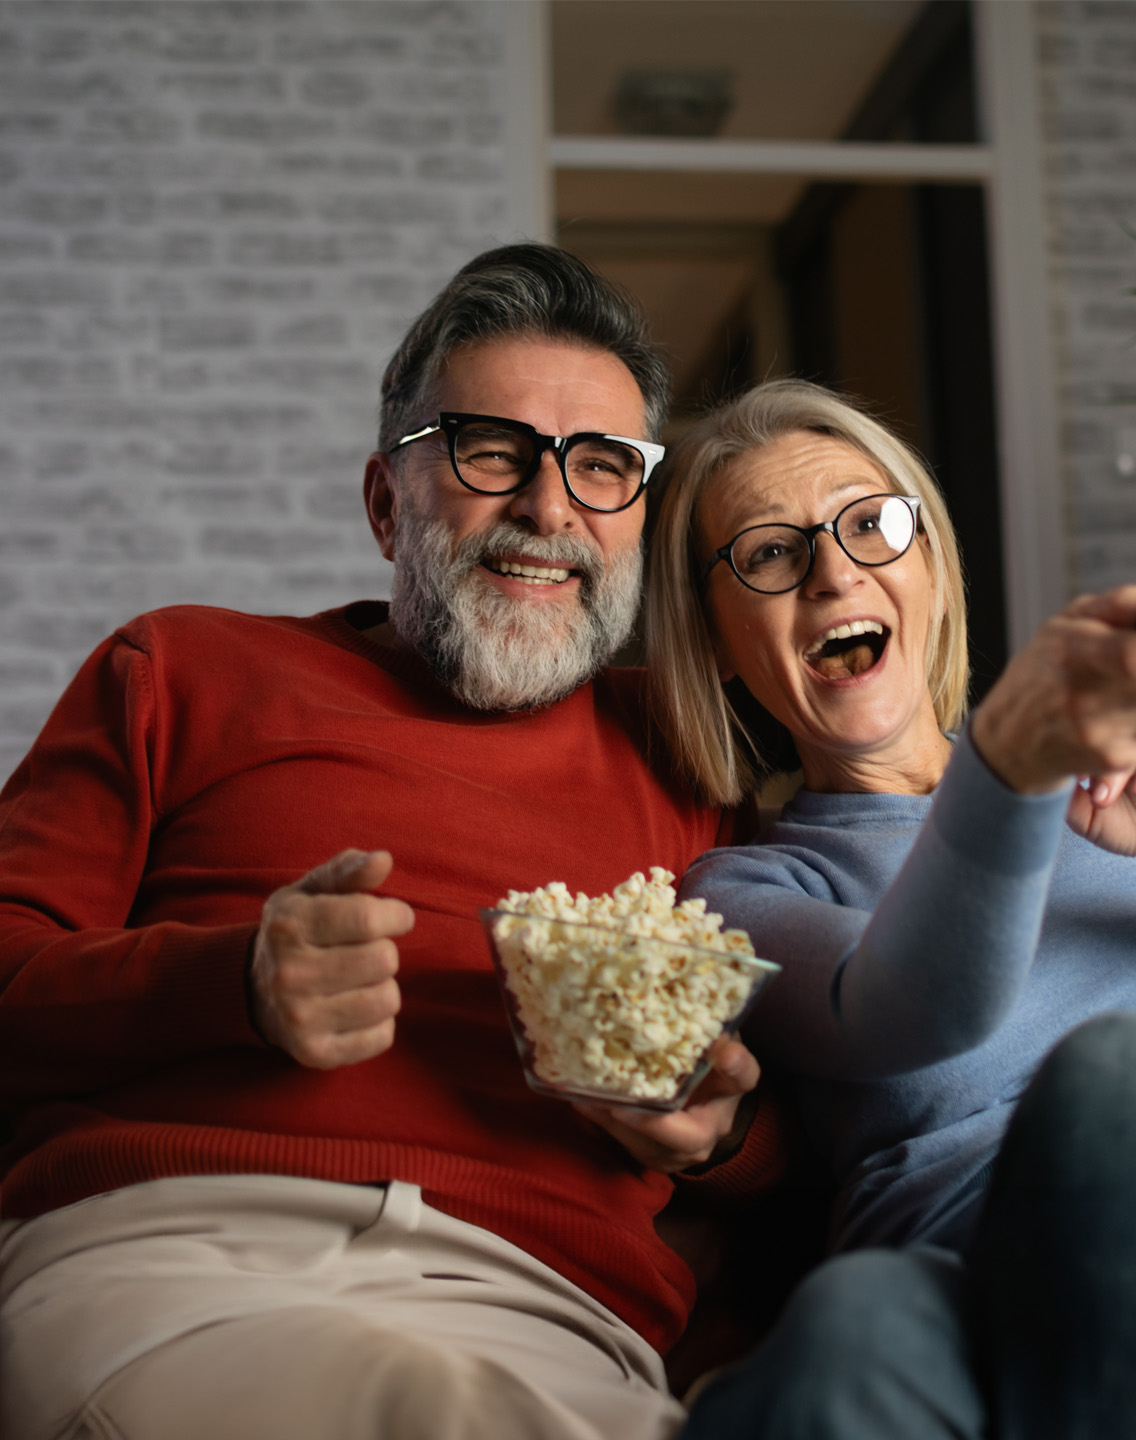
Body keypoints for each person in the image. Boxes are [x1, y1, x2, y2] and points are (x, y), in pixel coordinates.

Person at [0, 245, 777, 1440]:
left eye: (603, 467)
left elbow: (819, 1128)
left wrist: (716, 1138)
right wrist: (229, 985)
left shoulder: (692, 755)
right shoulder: (183, 670)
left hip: (548, 1307)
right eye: (491, 451)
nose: (549, 508)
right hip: (179, 1255)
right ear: (385, 502)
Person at [642, 378, 1136, 1439]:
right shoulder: (748, 894)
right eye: (772, 553)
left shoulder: (1127, 800)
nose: (836, 572)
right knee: (849, 1321)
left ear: (929, 564)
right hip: (992, 1293)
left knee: (1119, 1079)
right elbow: (910, 1006)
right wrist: (1010, 774)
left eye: (872, 525)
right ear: (718, 640)